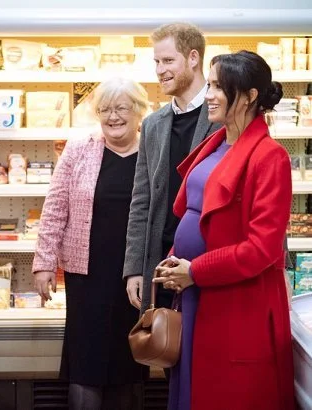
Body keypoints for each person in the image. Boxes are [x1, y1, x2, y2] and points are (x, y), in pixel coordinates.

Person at [153, 50, 295, 410]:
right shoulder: (216, 143)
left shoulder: (270, 156)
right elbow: (193, 214)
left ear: (248, 96)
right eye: (211, 85)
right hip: (196, 295)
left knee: (227, 393)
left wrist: (195, 271)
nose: (210, 94)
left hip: (235, 303)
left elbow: (262, 249)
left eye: (219, 87)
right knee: (192, 390)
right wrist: (175, 263)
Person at [32, 78, 150, 410]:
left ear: (138, 111)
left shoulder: (153, 151)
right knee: (87, 357)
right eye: (105, 109)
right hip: (87, 273)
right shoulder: (80, 147)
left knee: (130, 357)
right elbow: (55, 207)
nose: (113, 117)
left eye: (121, 108)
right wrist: (44, 263)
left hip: (135, 274)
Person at [124, 23, 220, 313]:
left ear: (193, 58)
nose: (159, 69)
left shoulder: (223, 116)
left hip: (208, 262)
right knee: (168, 352)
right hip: (163, 263)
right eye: (156, 61)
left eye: (167, 61)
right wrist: (135, 268)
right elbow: (141, 200)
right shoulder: (153, 125)